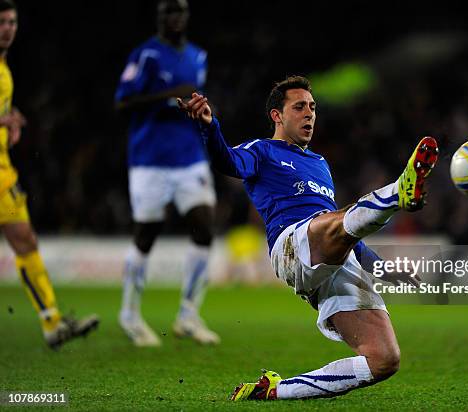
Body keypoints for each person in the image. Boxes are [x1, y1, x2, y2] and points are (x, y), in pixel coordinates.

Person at [177, 75, 438, 400]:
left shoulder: (319, 165)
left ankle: (274, 392)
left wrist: (385, 270)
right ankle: (399, 191)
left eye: (312, 107)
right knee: (334, 221)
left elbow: (348, 234)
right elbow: (226, 160)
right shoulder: (261, 151)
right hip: (291, 246)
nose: (309, 114)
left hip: (334, 261)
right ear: (277, 115)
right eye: (299, 107)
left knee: (384, 359)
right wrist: (208, 126)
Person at [114, 0, 219, 346]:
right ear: (159, 18)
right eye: (167, 13)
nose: (174, 18)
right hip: (149, 159)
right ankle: (129, 314)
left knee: (205, 226)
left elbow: (194, 97)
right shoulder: (146, 56)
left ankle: (188, 313)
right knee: (147, 232)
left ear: (187, 17)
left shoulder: (198, 57)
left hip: (190, 157)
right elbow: (122, 103)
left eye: (180, 12)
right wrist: (166, 95)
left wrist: (200, 108)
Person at [0, 0, 98, 350]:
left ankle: (52, 323)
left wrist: (11, 118)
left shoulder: (4, 67)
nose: (8, 28)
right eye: (2, 22)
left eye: (12, 22)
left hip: (3, 176)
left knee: (25, 241)